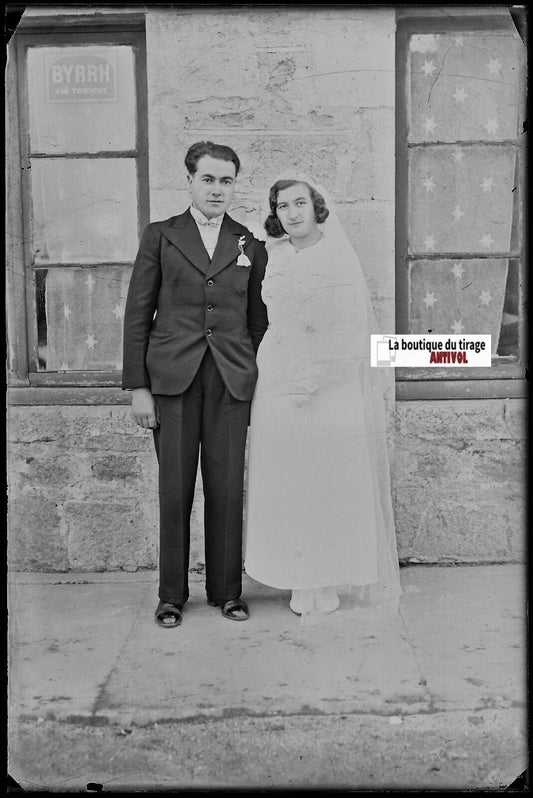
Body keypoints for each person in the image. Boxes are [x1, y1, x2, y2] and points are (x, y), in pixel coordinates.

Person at [122, 142, 268, 628]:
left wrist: (245, 364)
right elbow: (138, 314)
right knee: (175, 489)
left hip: (229, 381)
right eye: (208, 180)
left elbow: (257, 321)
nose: (217, 190)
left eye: (226, 181)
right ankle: (171, 595)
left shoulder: (248, 242)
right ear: (189, 181)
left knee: (227, 488)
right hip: (172, 379)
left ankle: (227, 592)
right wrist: (139, 387)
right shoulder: (161, 235)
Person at [244, 173, 401, 617]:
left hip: (330, 382)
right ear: (275, 216)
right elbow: (269, 322)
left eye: (299, 204)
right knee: (289, 478)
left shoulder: (338, 257)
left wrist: (318, 374)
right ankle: (299, 578)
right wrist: (285, 372)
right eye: (282, 208)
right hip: (277, 379)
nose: (292, 214)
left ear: (316, 208)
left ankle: (328, 575)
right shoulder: (273, 258)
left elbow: (351, 327)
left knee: (329, 478)